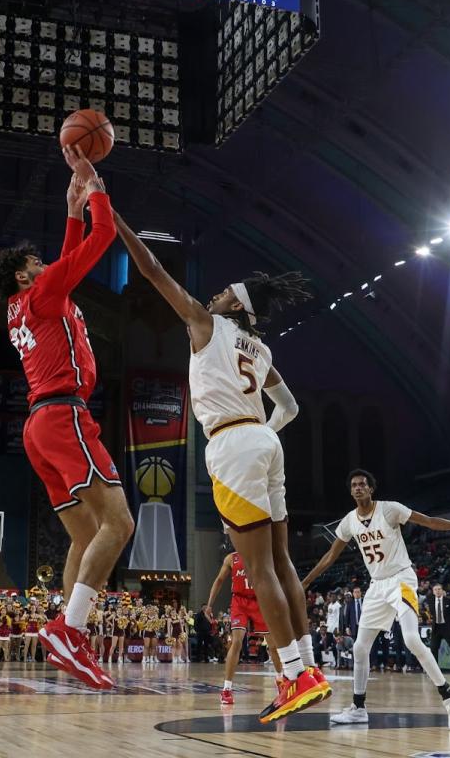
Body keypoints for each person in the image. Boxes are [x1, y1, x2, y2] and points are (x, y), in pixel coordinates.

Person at [111, 209, 322, 723]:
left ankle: (294, 677)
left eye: (225, 292)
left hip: (233, 443)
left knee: (261, 568)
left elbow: (152, 270)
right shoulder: (262, 349)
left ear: (236, 306)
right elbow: (291, 408)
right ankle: (310, 667)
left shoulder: (206, 325)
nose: (215, 295)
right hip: (264, 443)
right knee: (283, 562)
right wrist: (264, 436)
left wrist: (111, 215)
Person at [0, 147, 134, 690]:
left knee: (85, 534)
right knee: (119, 524)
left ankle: (70, 636)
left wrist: (71, 209)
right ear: (24, 275)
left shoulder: (25, 305)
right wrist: (94, 187)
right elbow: (102, 238)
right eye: (36, 263)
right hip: (64, 415)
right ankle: (69, 630)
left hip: (39, 426)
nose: (46, 264)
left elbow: (68, 259)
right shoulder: (45, 293)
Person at [302, 469, 450, 730]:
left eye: (363, 484)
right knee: (360, 648)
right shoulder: (349, 521)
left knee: (412, 639)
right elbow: (330, 556)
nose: (358, 488)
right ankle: (358, 708)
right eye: (354, 485)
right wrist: (305, 582)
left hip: (401, 579)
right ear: (351, 491)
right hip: (377, 585)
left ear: (371, 488)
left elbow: (430, 522)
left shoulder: (389, 509)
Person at [205, 550, 283, 706]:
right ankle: (227, 689)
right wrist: (209, 604)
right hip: (239, 602)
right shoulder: (231, 558)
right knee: (237, 642)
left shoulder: (263, 554)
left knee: (273, 646)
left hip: (260, 600)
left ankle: (281, 679)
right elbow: (219, 580)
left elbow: (275, 579)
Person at [424, 584, 450, 675]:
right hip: (436, 628)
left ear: (442, 591)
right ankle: (434, 670)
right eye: (435, 590)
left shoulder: (449, 601)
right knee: (433, 649)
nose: (438, 591)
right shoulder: (431, 601)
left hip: (447, 628)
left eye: (439, 589)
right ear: (433, 592)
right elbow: (432, 614)